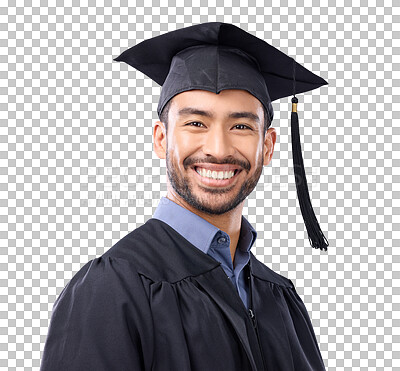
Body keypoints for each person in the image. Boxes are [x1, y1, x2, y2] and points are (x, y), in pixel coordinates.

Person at [40, 22, 328, 370]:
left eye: (241, 126)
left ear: (266, 147)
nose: (218, 149)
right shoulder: (111, 289)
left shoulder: (280, 297)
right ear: (161, 139)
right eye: (196, 123)